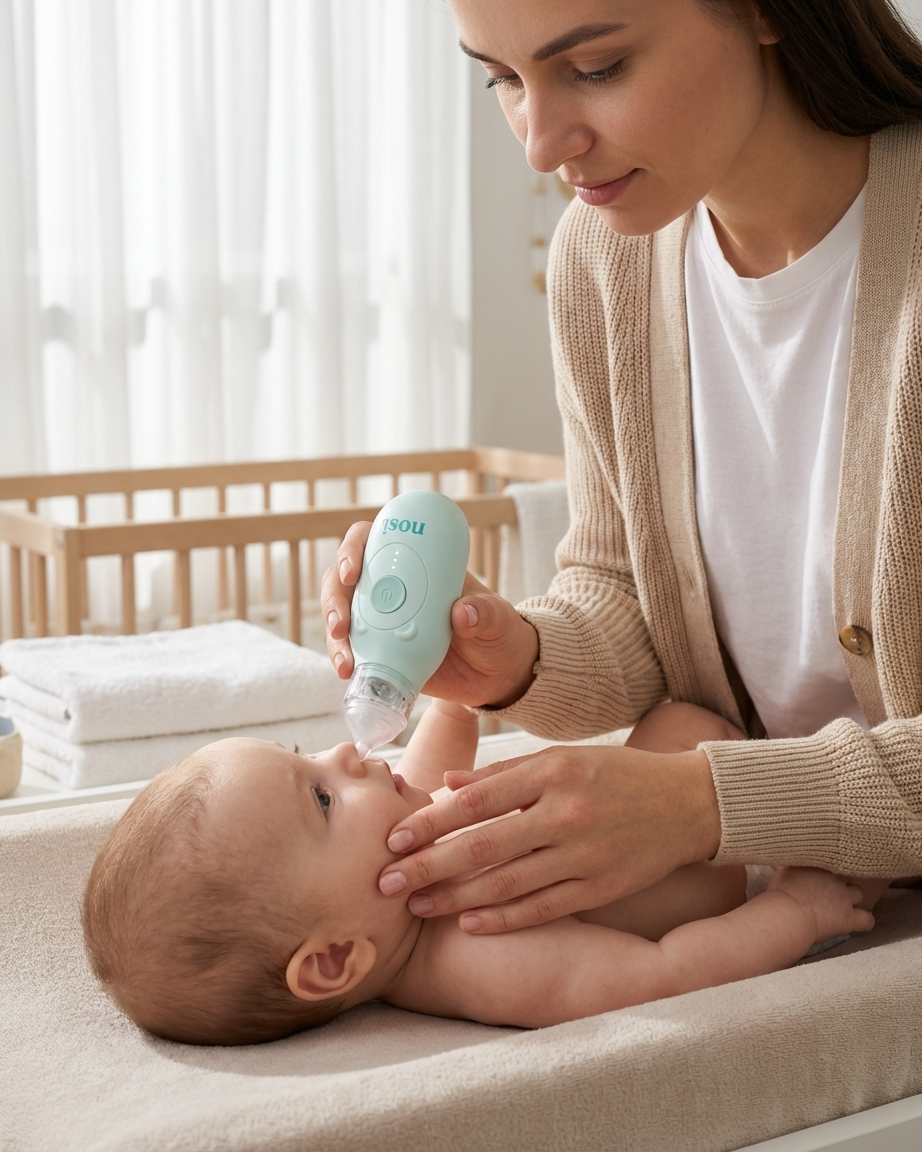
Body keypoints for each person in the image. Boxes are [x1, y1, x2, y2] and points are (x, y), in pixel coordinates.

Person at [323, 0, 922, 936]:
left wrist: (704, 803)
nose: (540, 144)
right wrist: (509, 658)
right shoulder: (604, 261)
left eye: (596, 68)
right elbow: (628, 594)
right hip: (792, 907)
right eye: (504, 80)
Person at [81, 700, 879, 1045]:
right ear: (333, 960)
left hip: (686, 788)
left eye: (303, 753)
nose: (346, 752)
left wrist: (456, 707)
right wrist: (798, 912)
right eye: (322, 797)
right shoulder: (477, 954)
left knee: (675, 723)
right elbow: (664, 975)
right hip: (734, 860)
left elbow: (425, 778)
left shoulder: (396, 881)